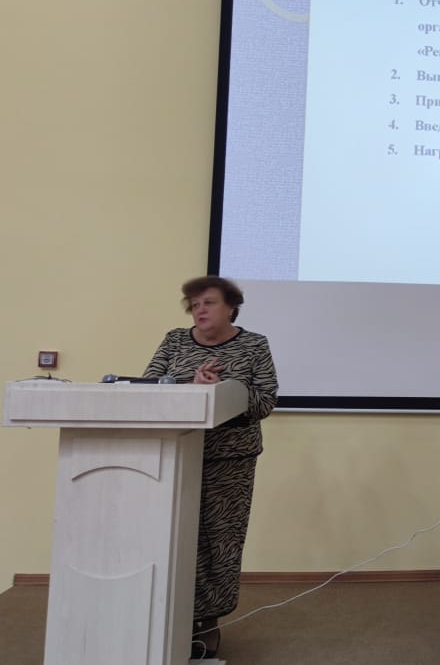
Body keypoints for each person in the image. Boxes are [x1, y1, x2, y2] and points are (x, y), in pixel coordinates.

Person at [143, 276, 278, 660]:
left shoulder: (254, 344)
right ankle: (167, 616)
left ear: (231, 307)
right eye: (195, 304)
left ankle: (206, 623)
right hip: (174, 455)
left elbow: (265, 401)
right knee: (172, 536)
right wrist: (191, 384)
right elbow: (149, 386)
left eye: (209, 302)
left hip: (230, 462)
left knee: (219, 540)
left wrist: (222, 391)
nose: (199, 310)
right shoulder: (174, 340)